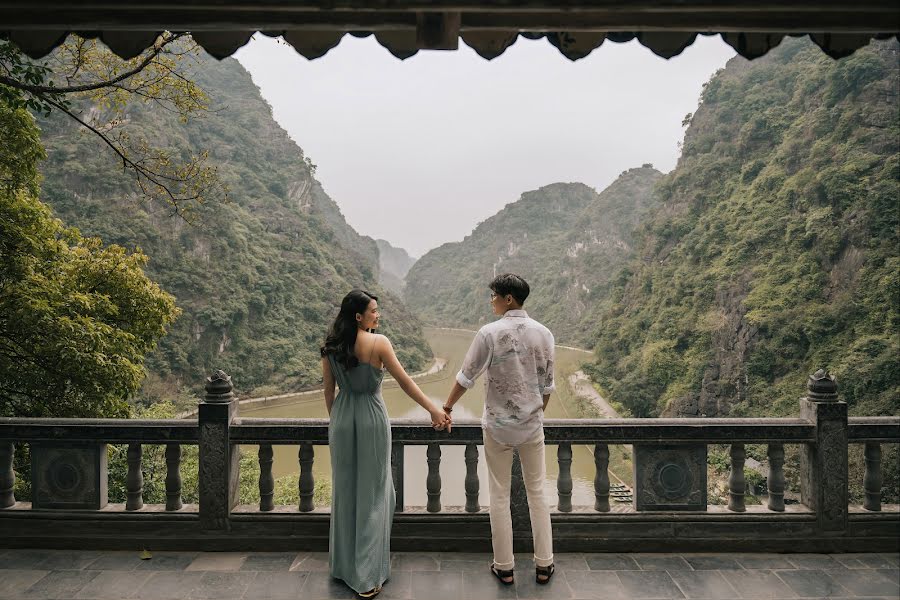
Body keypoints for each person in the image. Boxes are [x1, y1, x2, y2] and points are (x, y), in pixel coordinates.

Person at [321, 289, 451, 599]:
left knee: (346, 491)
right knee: (375, 494)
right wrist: (434, 409)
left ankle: (342, 568)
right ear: (359, 315)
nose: (378, 315)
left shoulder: (330, 346)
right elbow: (406, 382)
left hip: (341, 419)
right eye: (374, 311)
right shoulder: (379, 343)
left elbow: (328, 393)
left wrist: (339, 421)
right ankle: (366, 578)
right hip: (371, 419)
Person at [441, 273, 556, 586]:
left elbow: (467, 376)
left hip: (497, 428)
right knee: (537, 493)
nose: (491, 300)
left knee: (499, 494)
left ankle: (504, 566)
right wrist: (535, 414)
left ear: (508, 298)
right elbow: (548, 385)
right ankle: (544, 563)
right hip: (532, 428)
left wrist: (447, 407)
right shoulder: (544, 333)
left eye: (494, 295)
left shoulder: (488, 333)